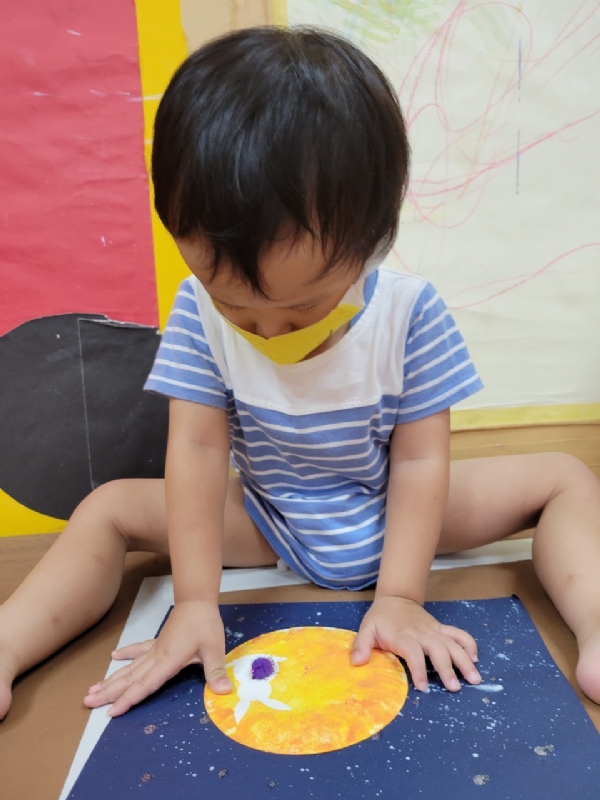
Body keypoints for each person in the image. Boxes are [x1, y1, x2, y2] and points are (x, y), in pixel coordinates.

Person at [1, 26, 600, 723]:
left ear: (373, 242)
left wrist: (400, 596)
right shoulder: (195, 309)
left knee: (565, 478)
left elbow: (419, 463)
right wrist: (194, 601)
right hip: (268, 516)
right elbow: (197, 449)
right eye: (235, 306)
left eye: (303, 306)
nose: (268, 332)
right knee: (106, 508)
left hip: (398, 510)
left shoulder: (410, 313)